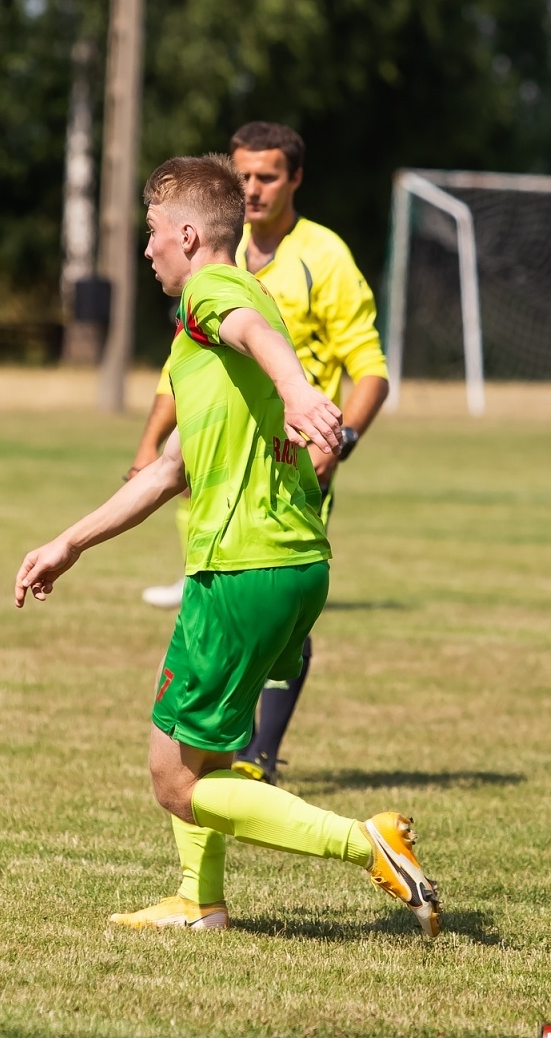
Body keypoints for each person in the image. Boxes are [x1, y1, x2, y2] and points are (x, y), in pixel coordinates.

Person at [14, 154, 438, 936]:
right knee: (205, 753)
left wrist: (293, 387)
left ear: (185, 234)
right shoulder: (209, 325)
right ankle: (199, 902)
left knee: (173, 778)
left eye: (150, 235)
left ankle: (364, 843)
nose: (145, 252)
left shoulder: (217, 292)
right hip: (291, 563)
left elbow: (249, 333)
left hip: (242, 567)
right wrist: (70, 542)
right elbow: (170, 469)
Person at [131, 121, 391, 785]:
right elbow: (187, 369)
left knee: (264, 631)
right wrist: (150, 441)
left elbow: (368, 367)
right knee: (244, 643)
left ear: (295, 178)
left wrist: (335, 432)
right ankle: (202, 882)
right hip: (214, 477)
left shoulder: (320, 257)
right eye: (242, 175)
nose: (251, 189)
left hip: (290, 462)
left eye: (266, 176)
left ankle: (261, 755)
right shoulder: (219, 249)